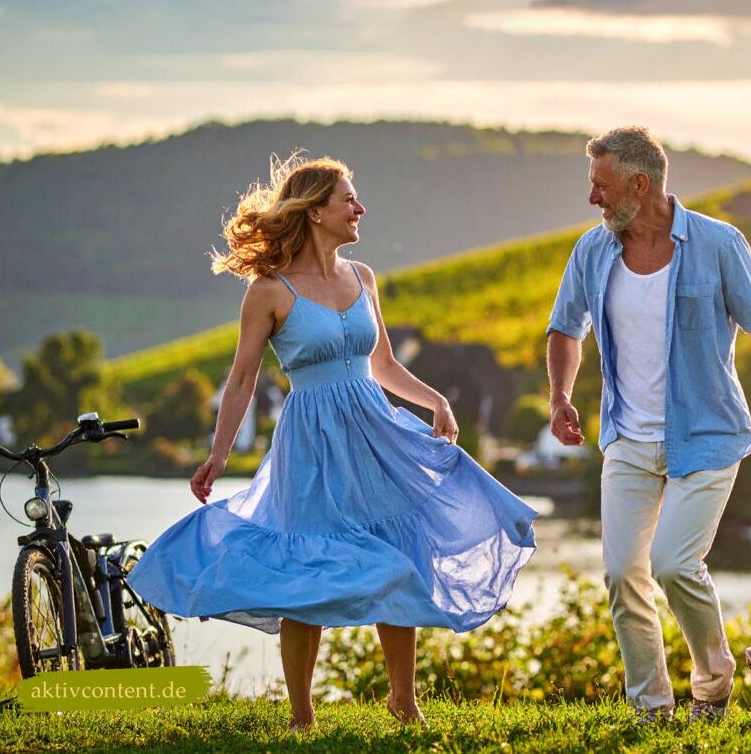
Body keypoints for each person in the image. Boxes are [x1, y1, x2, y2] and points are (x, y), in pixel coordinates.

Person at [128, 154, 537, 730]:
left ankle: (404, 699)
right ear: (315, 211)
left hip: (375, 433)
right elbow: (242, 378)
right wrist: (219, 456)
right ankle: (301, 716)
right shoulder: (269, 291)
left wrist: (435, 401)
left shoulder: (363, 277)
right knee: (307, 575)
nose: (359, 209)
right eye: (349, 199)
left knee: (399, 555)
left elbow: (384, 365)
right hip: (312, 442)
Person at [546, 126, 751, 724]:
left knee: (674, 565)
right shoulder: (591, 251)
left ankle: (712, 684)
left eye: (601, 185)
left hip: (707, 435)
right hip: (627, 436)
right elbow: (564, 329)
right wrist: (560, 396)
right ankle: (651, 707)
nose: (592, 199)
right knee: (623, 573)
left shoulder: (717, 244)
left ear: (638, 183)